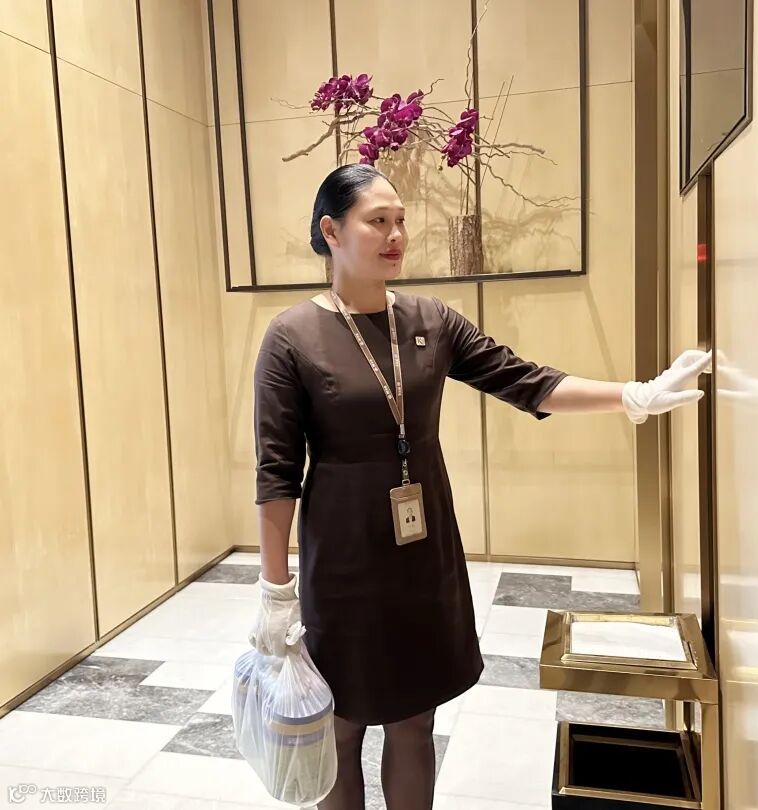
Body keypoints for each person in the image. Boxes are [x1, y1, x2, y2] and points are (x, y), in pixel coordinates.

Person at [247, 164, 711, 809]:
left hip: (424, 556)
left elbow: (525, 380)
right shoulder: (292, 336)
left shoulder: (430, 320)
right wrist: (275, 590)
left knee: (414, 720)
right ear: (331, 231)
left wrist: (634, 395)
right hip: (344, 562)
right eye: (377, 221)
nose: (396, 235)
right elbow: (276, 473)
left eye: (400, 220)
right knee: (342, 724)